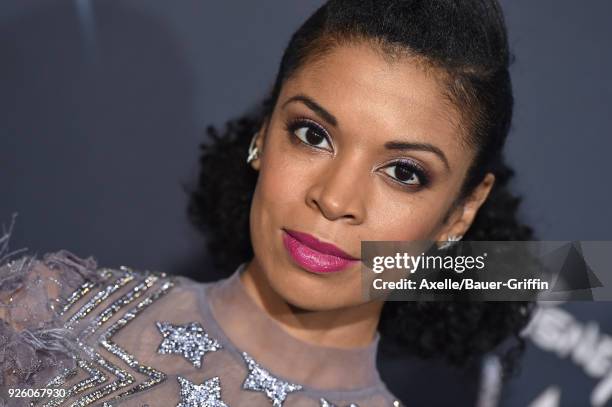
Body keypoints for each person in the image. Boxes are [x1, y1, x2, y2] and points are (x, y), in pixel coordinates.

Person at [0, 0, 534, 405]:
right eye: (311, 134)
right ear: (263, 133)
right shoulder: (51, 323)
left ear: (461, 212)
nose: (333, 198)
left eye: (403, 172)